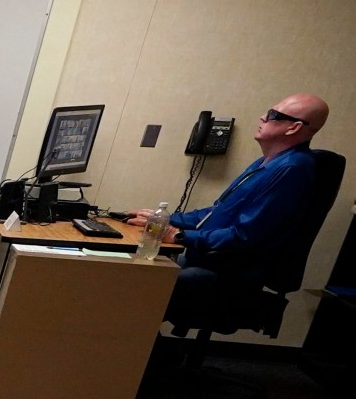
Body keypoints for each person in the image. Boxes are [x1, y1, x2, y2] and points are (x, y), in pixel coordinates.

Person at [136, 94, 330, 327]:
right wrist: (165, 219)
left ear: (294, 127)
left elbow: (244, 236)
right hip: (211, 262)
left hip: (230, 275)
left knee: (139, 288)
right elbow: (218, 212)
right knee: (135, 274)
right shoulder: (267, 162)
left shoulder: (291, 169)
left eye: (272, 115)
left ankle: (149, 356)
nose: (262, 117)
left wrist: (178, 236)